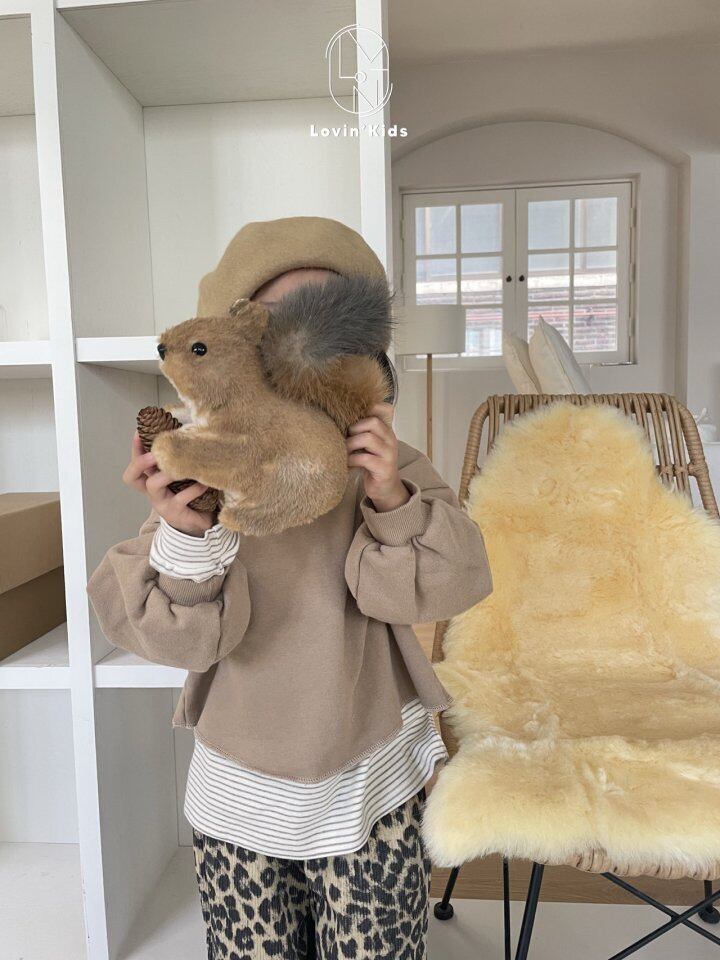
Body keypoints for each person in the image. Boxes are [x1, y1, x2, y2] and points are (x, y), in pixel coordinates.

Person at [88, 217, 492, 960]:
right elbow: (172, 635)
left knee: (377, 945)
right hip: (241, 772)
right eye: (277, 326)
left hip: (368, 763)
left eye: (329, 325)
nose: (302, 348)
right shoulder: (205, 468)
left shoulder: (387, 460)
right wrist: (184, 532)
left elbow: (447, 584)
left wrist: (391, 498)